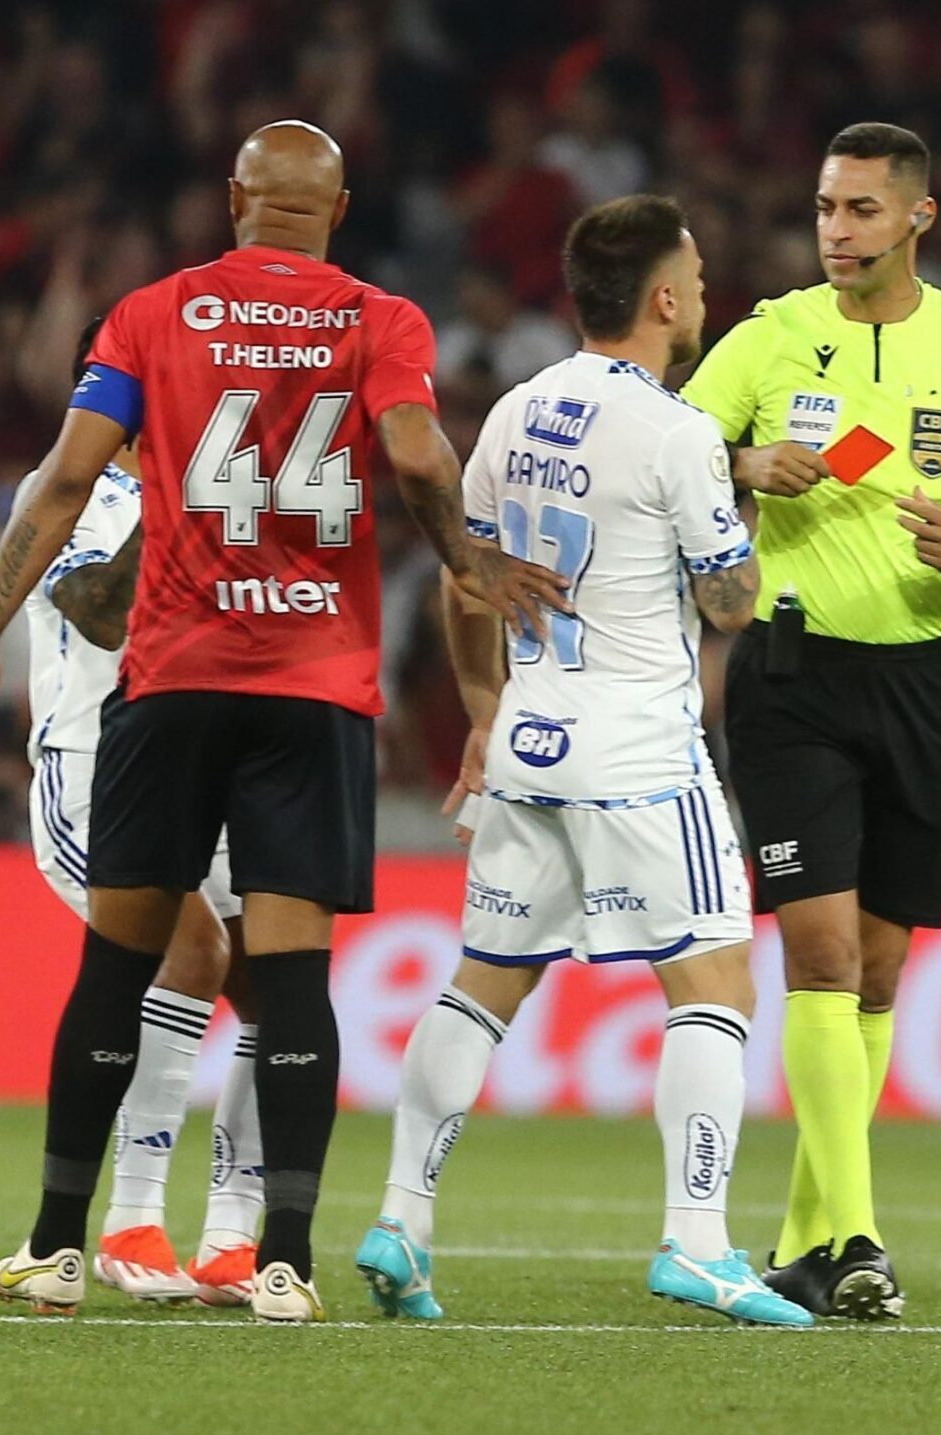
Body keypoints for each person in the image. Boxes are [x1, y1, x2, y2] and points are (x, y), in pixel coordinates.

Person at [0, 121, 562, 1324]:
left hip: (175, 675)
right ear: (335, 211)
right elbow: (420, 452)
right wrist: (465, 556)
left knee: (114, 969)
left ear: (235, 198)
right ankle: (282, 1259)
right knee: (289, 982)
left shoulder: (150, 311)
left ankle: (58, 1245)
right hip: (314, 686)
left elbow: (68, 480)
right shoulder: (383, 319)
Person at [355, 195, 810, 1329]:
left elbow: (471, 572)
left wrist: (480, 710)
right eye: (697, 276)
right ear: (663, 298)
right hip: (641, 750)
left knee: (484, 980)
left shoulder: (515, 409)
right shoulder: (677, 432)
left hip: (528, 741)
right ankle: (698, 1244)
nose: (705, 294)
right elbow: (729, 599)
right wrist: (740, 511)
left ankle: (400, 1220)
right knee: (715, 984)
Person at [680, 122, 941, 1320]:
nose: (835, 231)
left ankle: (806, 1237)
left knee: (884, 969)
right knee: (822, 953)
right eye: (823, 208)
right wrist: (745, 462)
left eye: (858, 210)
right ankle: (858, 1235)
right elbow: (664, 451)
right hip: (792, 676)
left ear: (918, 217)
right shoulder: (769, 332)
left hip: (918, 678)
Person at [18, 316, 263, 1306]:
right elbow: (98, 607)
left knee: (276, 983)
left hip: (207, 766)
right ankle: (129, 1218)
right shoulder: (69, 499)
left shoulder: (212, 493)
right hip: (94, 768)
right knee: (192, 953)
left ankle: (233, 1235)